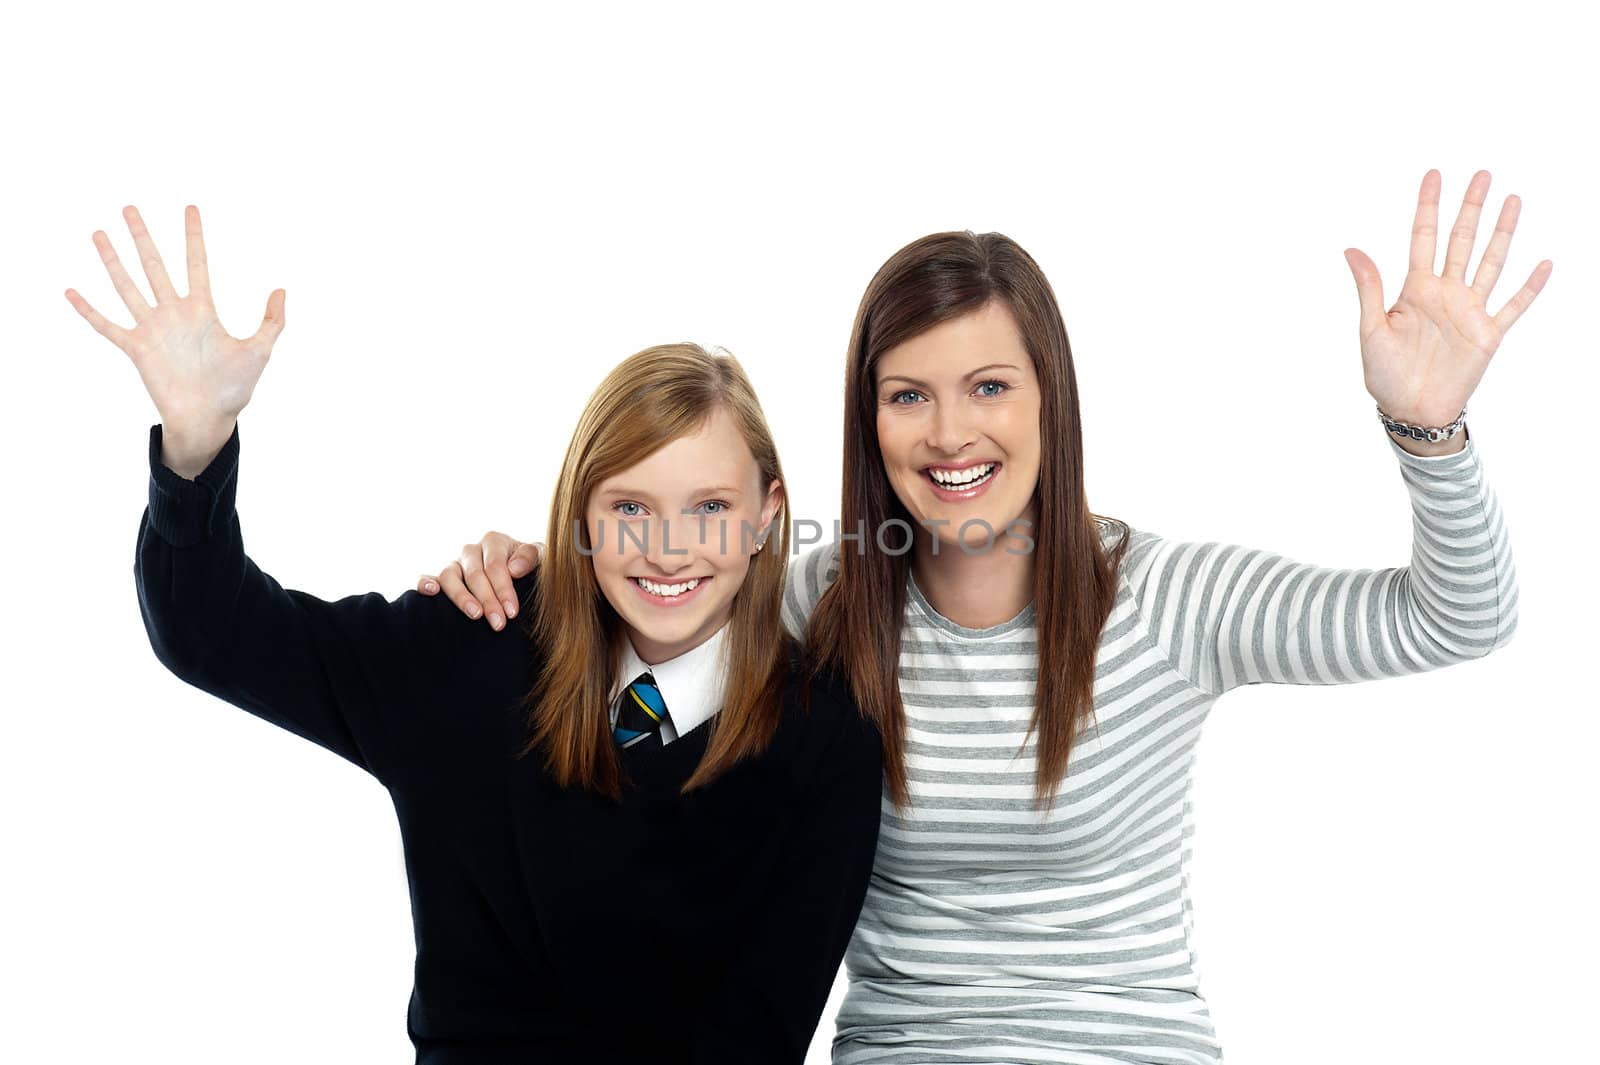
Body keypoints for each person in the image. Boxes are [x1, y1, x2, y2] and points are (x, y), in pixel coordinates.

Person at [419, 169, 1542, 1063]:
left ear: (1049, 395)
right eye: (909, 395)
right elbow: (644, 674)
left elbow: (1458, 619)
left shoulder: (1167, 602)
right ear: (870, 421)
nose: (950, 434)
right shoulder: (816, 606)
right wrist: (527, 585)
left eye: (989, 387)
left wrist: (1426, 433)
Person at [68, 205, 884, 1064]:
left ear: (767, 515)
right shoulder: (475, 645)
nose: (669, 547)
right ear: (581, 516)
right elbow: (212, 632)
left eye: (710, 507)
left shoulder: (822, 738)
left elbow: (757, 1038)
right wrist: (198, 449)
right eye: (630, 508)